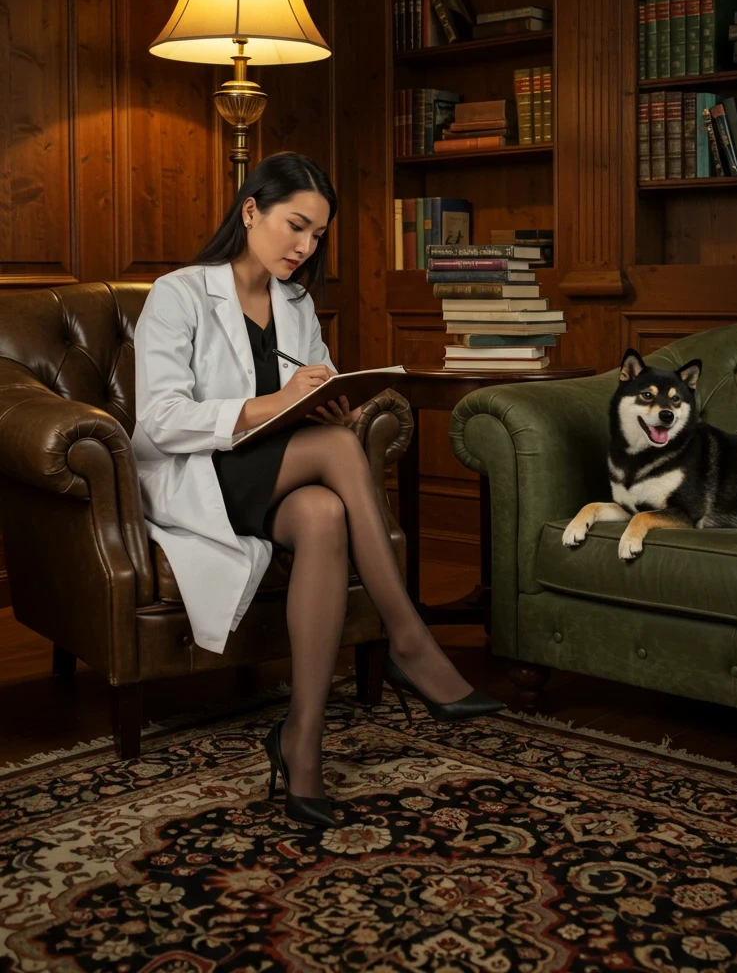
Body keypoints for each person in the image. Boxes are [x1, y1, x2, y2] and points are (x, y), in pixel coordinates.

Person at [131, 152, 505, 829]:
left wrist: (335, 409)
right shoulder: (177, 294)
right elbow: (159, 420)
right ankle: (408, 640)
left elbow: (315, 388)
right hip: (197, 472)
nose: (305, 247)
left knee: (325, 512)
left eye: (318, 235)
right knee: (334, 454)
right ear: (251, 211)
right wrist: (277, 404)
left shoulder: (296, 302)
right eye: (296, 226)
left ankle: (302, 742)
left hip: (275, 471)